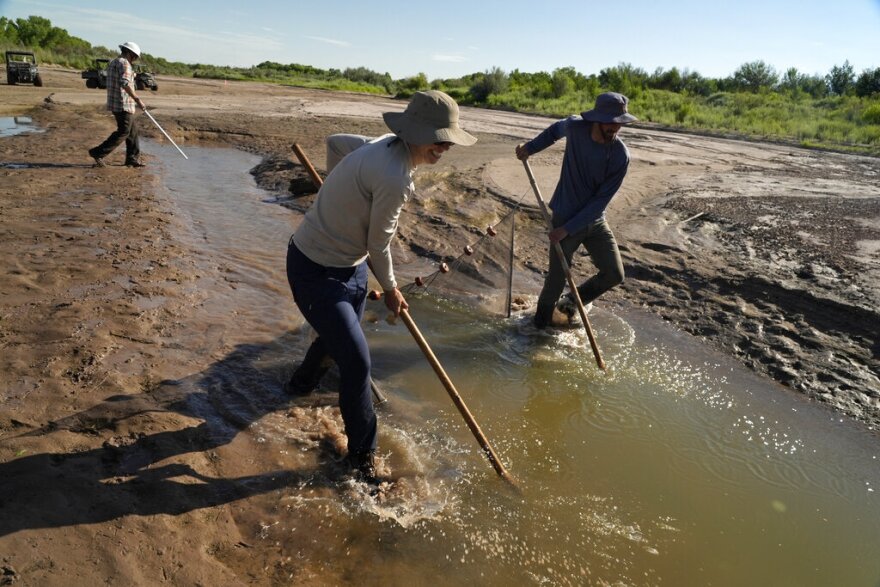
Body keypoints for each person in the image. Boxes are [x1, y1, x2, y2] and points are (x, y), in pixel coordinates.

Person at [286, 90, 477, 483]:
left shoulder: (380, 144)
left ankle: (298, 387)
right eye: (439, 139)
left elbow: (336, 144)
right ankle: (363, 458)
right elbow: (379, 244)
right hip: (314, 268)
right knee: (357, 362)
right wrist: (391, 290)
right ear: (414, 133)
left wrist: (338, 190)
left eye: (448, 140)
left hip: (351, 267)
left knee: (338, 339)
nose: (444, 147)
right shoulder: (394, 177)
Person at [515, 92, 637, 328]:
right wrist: (530, 148)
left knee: (614, 274)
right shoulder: (575, 127)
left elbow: (600, 202)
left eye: (619, 123)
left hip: (594, 220)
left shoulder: (621, 156)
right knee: (556, 279)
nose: (615, 128)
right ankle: (538, 327)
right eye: (611, 122)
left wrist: (566, 230)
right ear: (597, 119)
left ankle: (571, 301)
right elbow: (552, 132)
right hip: (564, 214)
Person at [88, 42, 147, 168]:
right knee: (124, 131)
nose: (135, 60)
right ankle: (98, 152)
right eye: (135, 57)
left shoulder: (114, 62)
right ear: (131, 54)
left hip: (116, 103)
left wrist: (132, 75)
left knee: (132, 131)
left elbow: (122, 78)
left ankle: (132, 158)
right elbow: (124, 83)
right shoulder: (125, 63)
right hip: (123, 104)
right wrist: (138, 99)